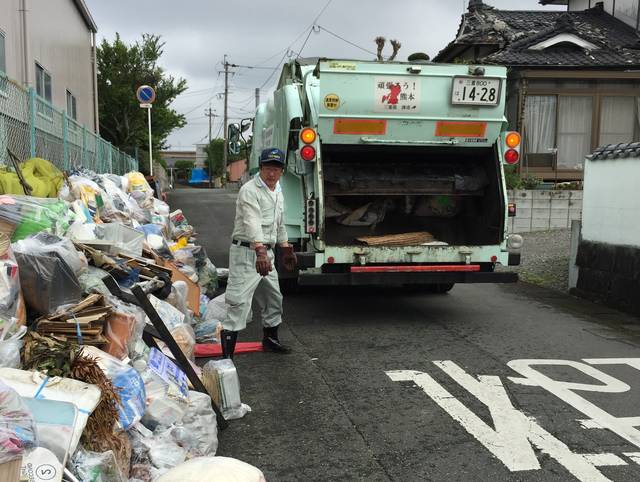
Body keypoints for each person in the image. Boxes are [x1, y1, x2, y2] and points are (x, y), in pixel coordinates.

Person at [220, 147, 297, 359]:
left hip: (267, 254)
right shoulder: (249, 190)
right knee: (238, 302)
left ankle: (271, 340)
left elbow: (278, 221)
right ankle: (227, 358)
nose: (272, 173)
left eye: (276, 168)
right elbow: (252, 221)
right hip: (248, 253)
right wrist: (260, 252)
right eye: (268, 168)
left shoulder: (277, 189)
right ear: (260, 168)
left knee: (274, 298)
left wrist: (285, 247)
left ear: (282, 171)